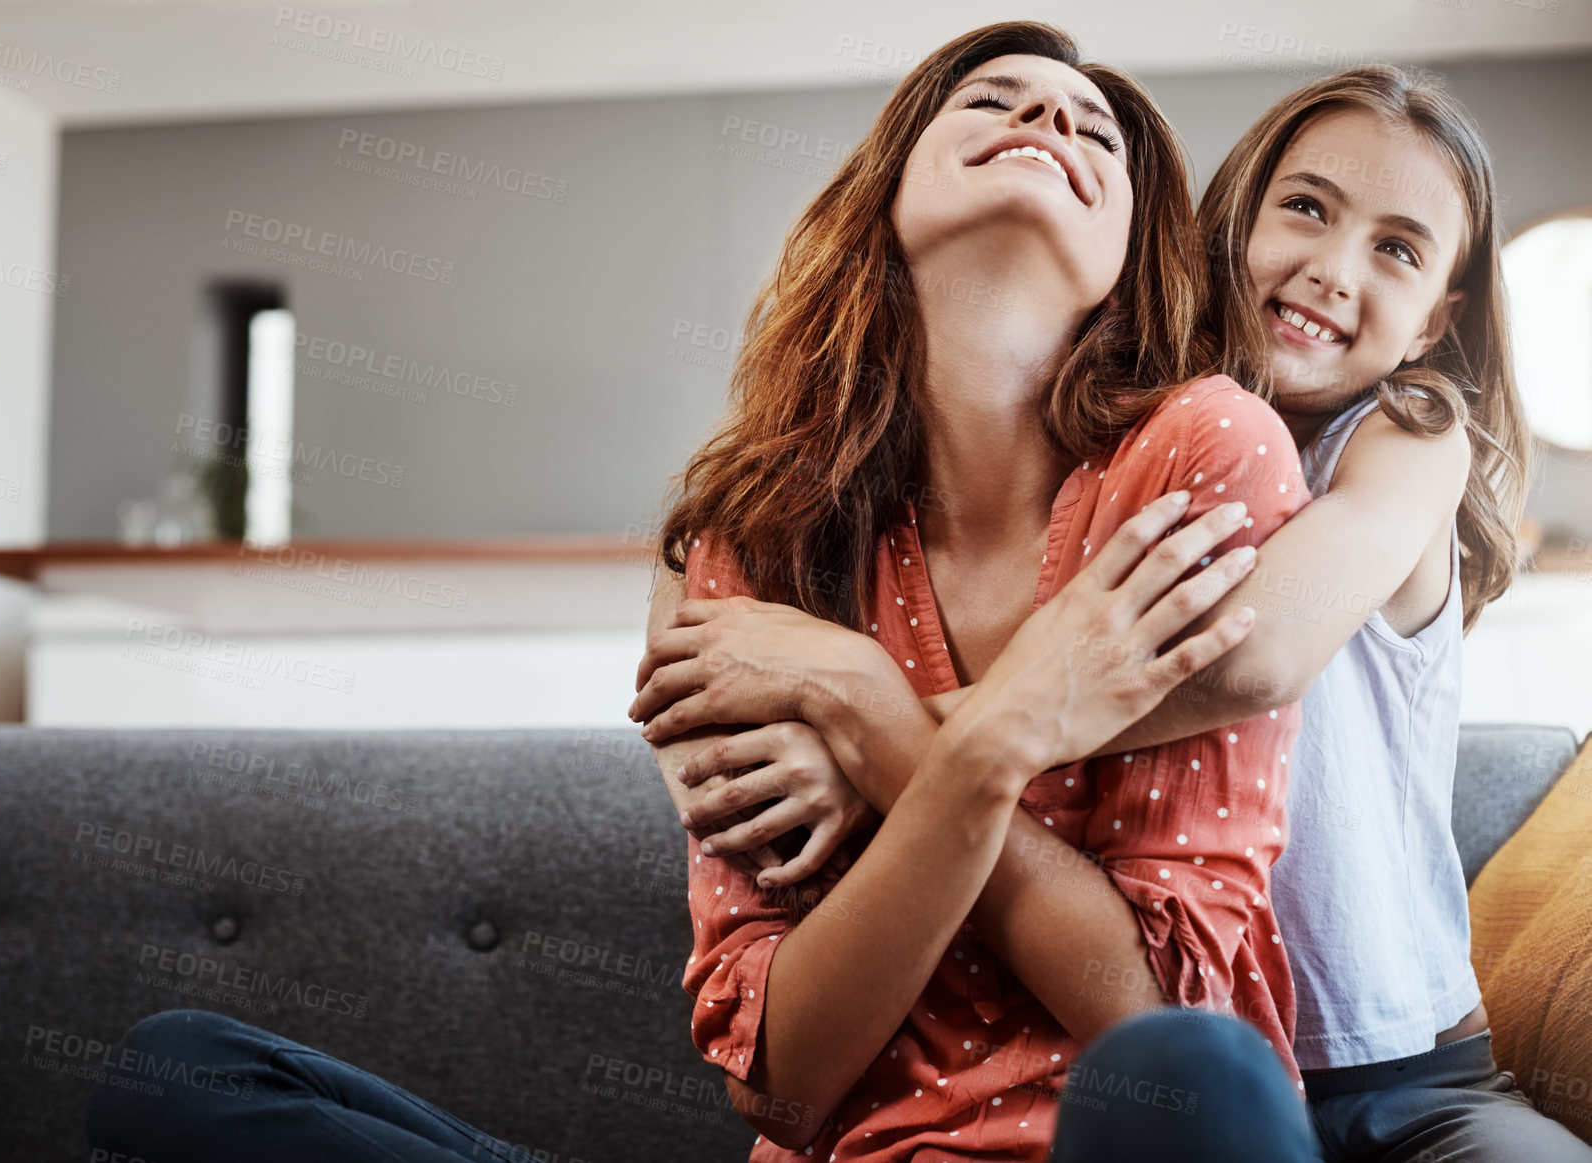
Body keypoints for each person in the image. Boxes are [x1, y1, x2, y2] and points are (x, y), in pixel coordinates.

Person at [629, 20, 1323, 1163]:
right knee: (222, 1077)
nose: (1049, 119)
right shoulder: (753, 537)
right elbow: (782, 1088)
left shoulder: (1201, 455)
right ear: (889, 187)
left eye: (1093, 127)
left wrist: (872, 712)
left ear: (1129, 251)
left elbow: (1165, 1030)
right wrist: (999, 725)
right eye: (994, 101)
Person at [1194, 64, 1592, 1162]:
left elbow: (1258, 652)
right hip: (1204, 1079)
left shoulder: (1408, 438)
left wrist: (945, 730)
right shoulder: (1147, 449)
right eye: (1308, 209)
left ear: (1434, 322)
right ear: (1236, 227)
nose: (1332, 268)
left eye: (1397, 248)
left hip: (1421, 1081)